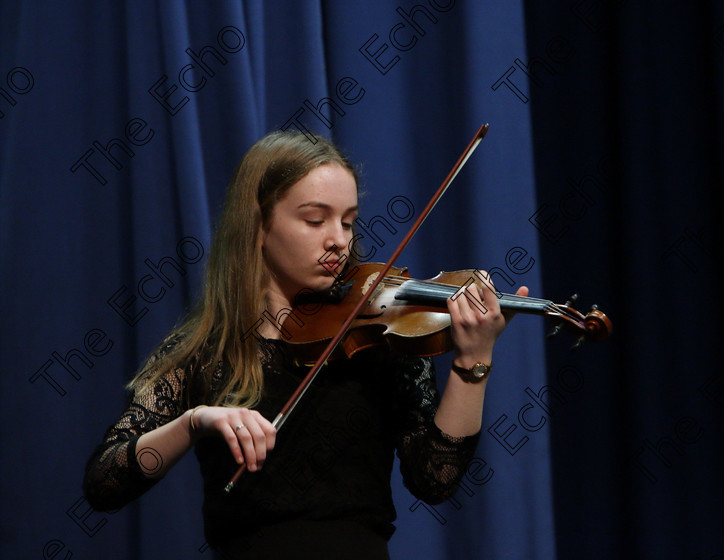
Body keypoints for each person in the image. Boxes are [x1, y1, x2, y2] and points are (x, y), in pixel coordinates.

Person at [83, 131, 529, 559]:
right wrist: (194, 422)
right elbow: (105, 483)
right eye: (315, 220)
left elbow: (436, 478)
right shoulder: (206, 351)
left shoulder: (381, 336)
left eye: (348, 221)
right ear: (258, 226)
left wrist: (473, 358)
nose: (338, 239)